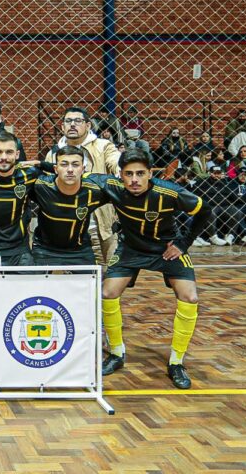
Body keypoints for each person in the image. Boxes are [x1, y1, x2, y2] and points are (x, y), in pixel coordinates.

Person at [100, 148, 212, 389]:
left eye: (140, 173)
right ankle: (117, 353)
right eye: (128, 174)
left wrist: (183, 243)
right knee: (107, 293)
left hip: (166, 248)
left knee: (190, 297)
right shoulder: (111, 186)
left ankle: (176, 362)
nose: (134, 179)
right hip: (130, 249)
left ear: (150, 173)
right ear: (120, 174)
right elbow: (80, 178)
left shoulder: (170, 192)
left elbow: (205, 210)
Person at [45, 107, 121, 264]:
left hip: (99, 223)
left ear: (88, 125)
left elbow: (116, 161)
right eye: (68, 121)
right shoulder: (53, 154)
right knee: (73, 274)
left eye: (78, 121)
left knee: (107, 270)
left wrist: (122, 168)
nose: (73, 124)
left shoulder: (103, 146)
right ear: (62, 126)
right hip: (67, 226)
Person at [32, 146, 110, 266]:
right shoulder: (41, 186)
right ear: (55, 169)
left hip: (80, 250)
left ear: (83, 169)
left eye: (75, 165)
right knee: (33, 278)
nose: (70, 170)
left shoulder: (94, 190)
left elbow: (125, 192)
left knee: (92, 278)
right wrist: (41, 164)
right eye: (64, 164)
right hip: (44, 248)